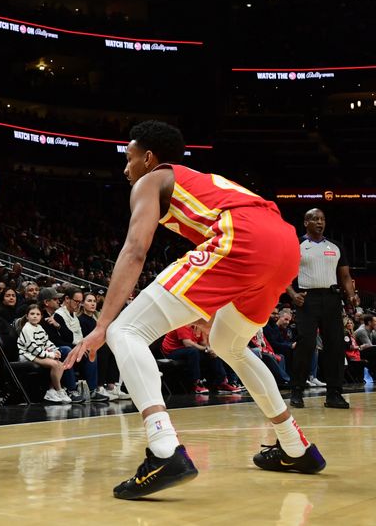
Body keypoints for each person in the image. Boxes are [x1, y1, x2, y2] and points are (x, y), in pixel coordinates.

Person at [64, 120, 325, 500]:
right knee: (228, 343)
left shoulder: (150, 180)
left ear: (148, 158)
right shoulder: (201, 180)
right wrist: (207, 307)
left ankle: (164, 450)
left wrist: (103, 323)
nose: (125, 168)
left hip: (243, 237)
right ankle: (295, 446)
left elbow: (135, 250)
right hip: (283, 244)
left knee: (125, 331)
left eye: (129, 158)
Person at [286, 208, 356, 409]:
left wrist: (351, 294)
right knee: (306, 343)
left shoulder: (335, 246)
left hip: (332, 298)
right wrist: (292, 294)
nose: (320, 222)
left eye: (322, 219)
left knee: (335, 346)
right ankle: (297, 390)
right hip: (307, 299)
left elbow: (344, 277)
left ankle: (334, 394)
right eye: (315, 219)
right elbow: (281, 273)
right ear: (305, 222)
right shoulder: (296, 245)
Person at [17, 304, 71, 403]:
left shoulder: (40, 327)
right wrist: (50, 355)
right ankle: (58, 390)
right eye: (32, 314)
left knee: (60, 364)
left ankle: (51, 390)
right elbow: (32, 349)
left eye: (38, 314)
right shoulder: (27, 328)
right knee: (54, 364)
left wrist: (55, 350)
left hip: (37, 354)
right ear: (27, 316)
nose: (35, 316)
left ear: (41, 317)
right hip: (27, 355)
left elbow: (46, 342)